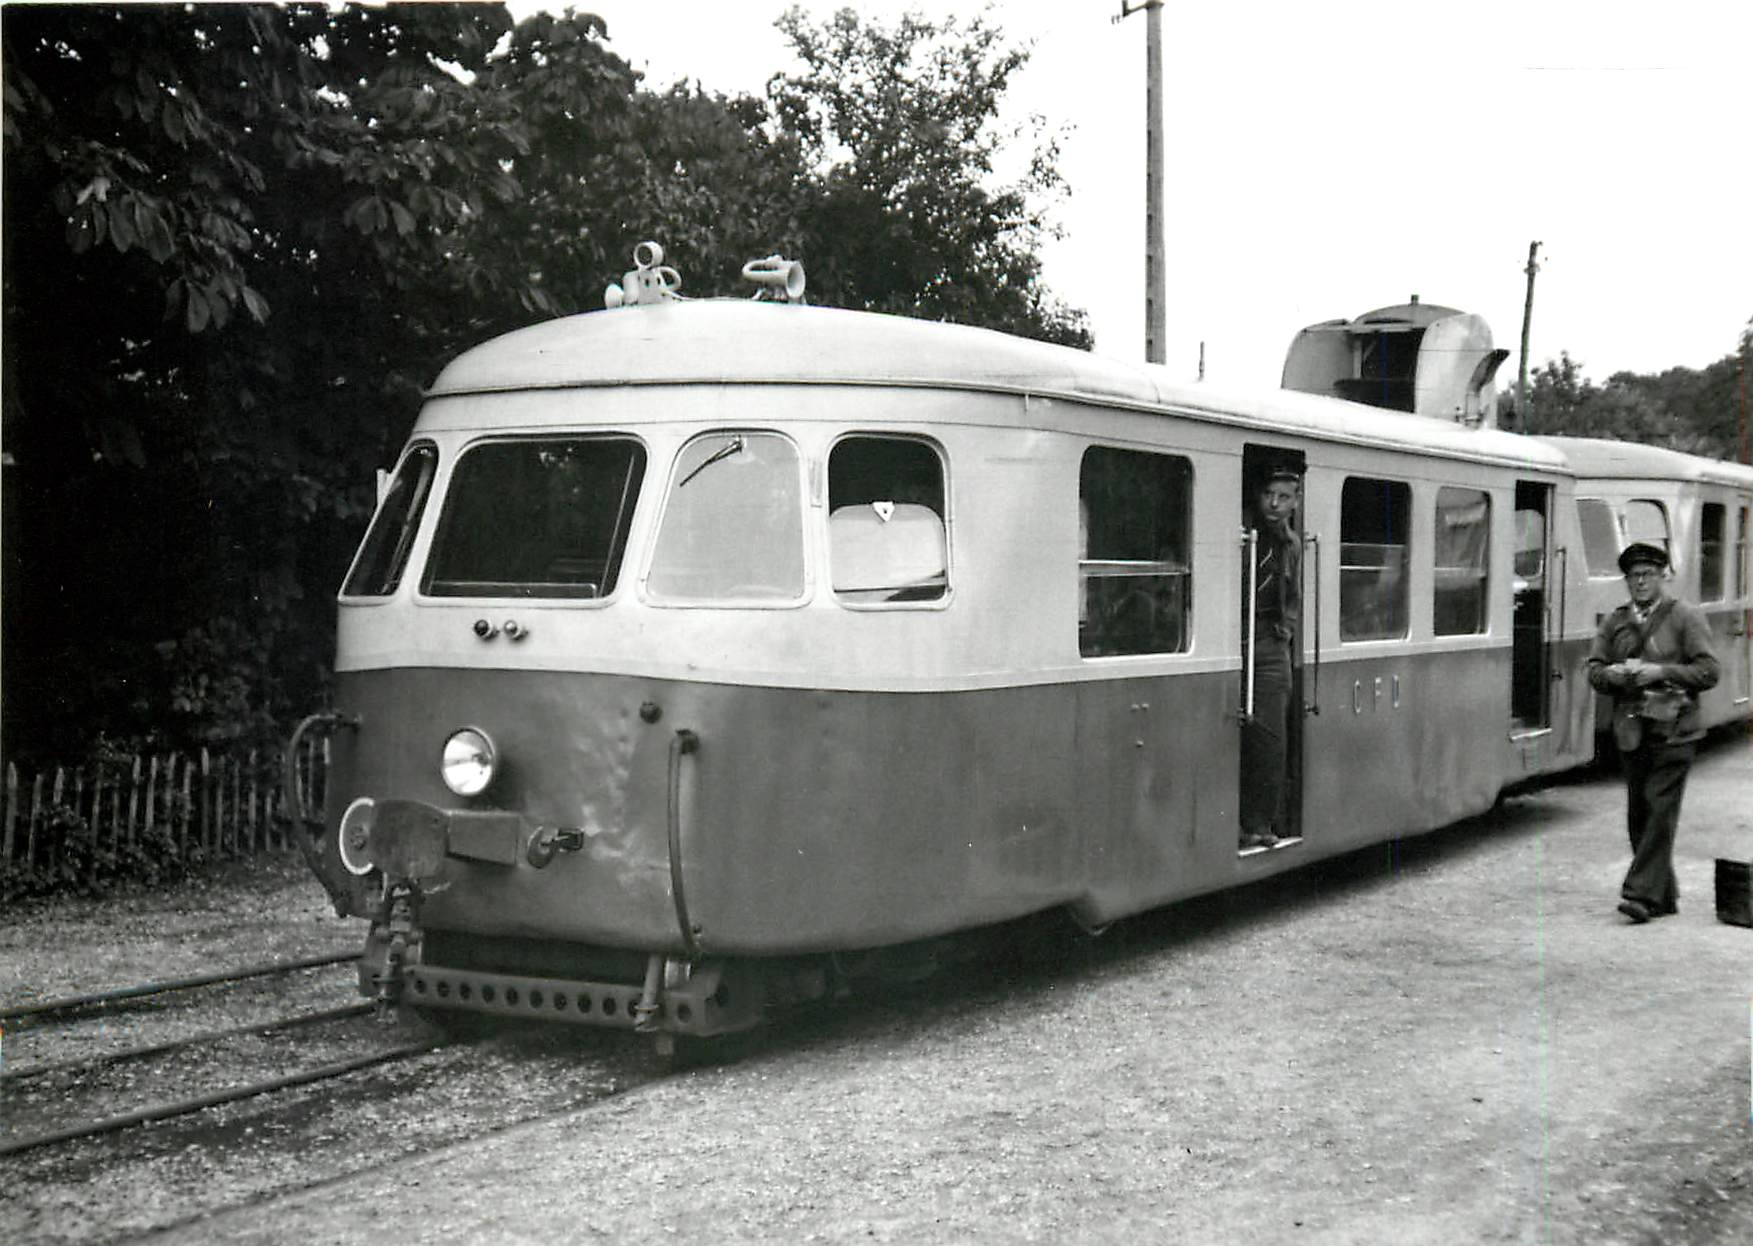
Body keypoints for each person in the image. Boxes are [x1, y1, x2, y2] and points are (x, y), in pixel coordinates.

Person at [1585, 541, 1719, 923]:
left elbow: (1709, 671)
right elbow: (1593, 669)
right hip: (1631, 730)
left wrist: (1661, 672)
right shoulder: (1615, 621)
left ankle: (1640, 894)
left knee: (1660, 810)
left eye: (1647, 575)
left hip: (1676, 729)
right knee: (1640, 815)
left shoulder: (1685, 618)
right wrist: (1610, 675)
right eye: (1632, 576)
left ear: (1663, 577)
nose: (1640, 582)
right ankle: (1665, 895)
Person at [1240, 469, 1301, 850]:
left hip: (1269, 641)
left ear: (1296, 500)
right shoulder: (1243, 533)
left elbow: (1292, 594)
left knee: (1271, 737)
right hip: (1237, 635)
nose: (1275, 505)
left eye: (1284, 497)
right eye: (1268, 495)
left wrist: (1287, 629)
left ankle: (1261, 822)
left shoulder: (1292, 544)